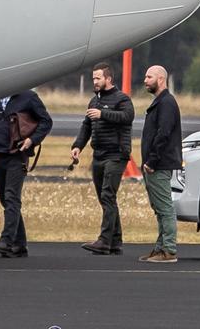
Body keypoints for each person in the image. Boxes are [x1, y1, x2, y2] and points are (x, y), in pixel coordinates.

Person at [0, 90, 52, 258]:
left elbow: (46, 121)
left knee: (11, 197)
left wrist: (32, 139)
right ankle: (20, 245)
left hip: (17, 154)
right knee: (5, 199)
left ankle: (6, 241)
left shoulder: (28, 97)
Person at [72, 62, 135, 256]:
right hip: (98, 155)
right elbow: (86, 126)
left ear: (108, 79)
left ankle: (104, 241)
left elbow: (127, 117)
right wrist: (77, 146)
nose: (95, 81)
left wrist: (103, 114)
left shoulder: (122, 99)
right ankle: (115, 241)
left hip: (116, 155)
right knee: (104, 198)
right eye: (93, 78)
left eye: (98, 78)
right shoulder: (94, 101)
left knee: (108, 195)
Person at [139, 65, 182, 263]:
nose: (145, 80)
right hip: (154, 164)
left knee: (165, 208)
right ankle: (160, 248)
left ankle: (169, 250)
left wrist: (152, 161)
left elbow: (163, 133)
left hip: (159, 164)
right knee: (159, 208)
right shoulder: (160, 102)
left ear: (161, 79)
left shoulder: (166, 103)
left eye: (149, 77)